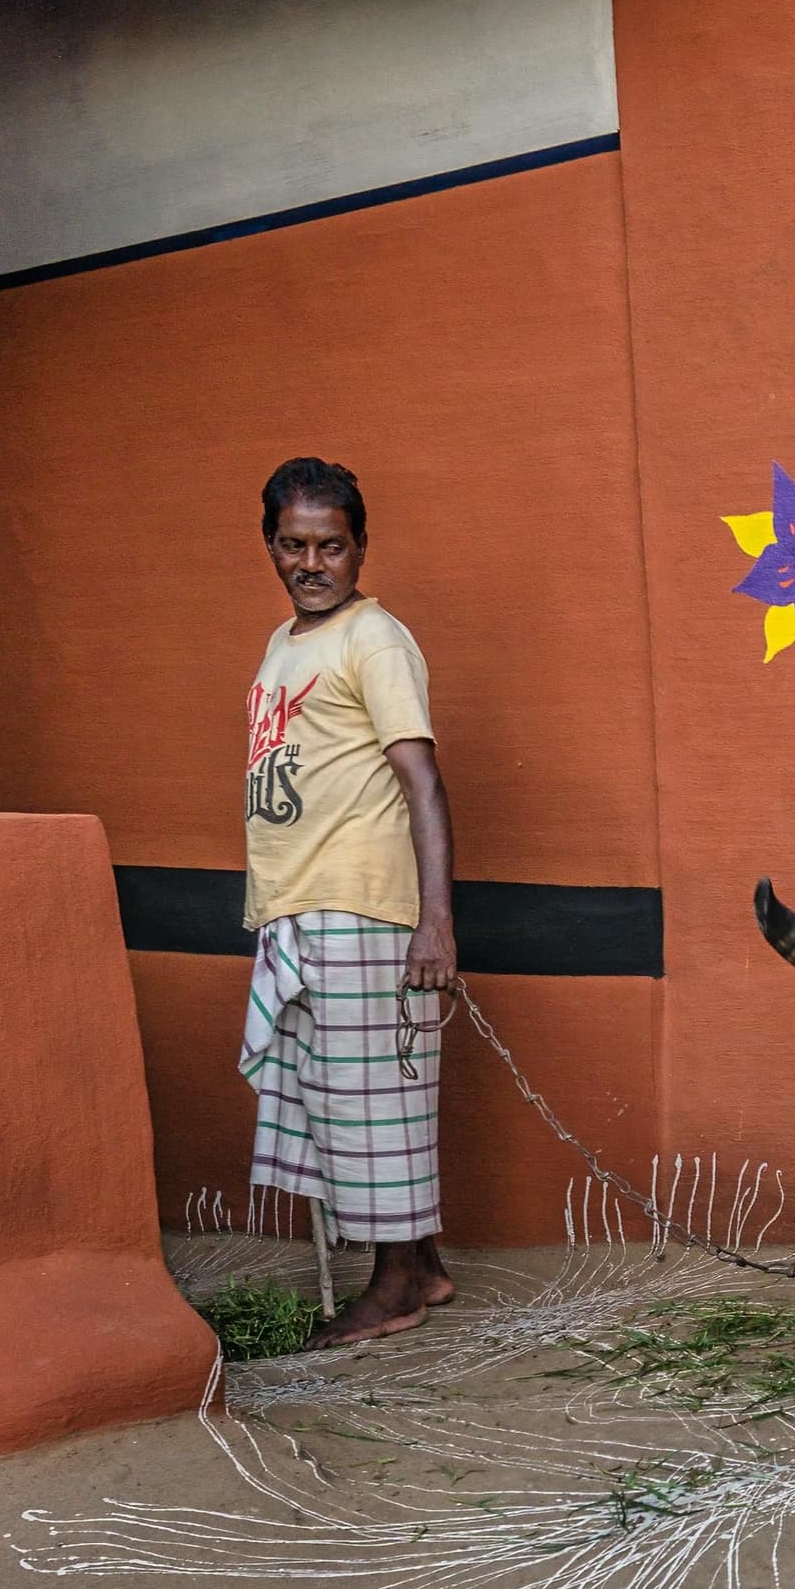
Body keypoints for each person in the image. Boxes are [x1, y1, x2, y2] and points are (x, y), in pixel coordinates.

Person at [236, 456, 459, 1344]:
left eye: (331, 545)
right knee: (350, 1100)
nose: (311, 562)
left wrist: (433, 923)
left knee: (372, 1108)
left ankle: (394, 1283)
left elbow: (423, 781)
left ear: (361, 548)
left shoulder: (376, 639)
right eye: (293, 544)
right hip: (302, 902)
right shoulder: (285, 643)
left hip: (360, 904)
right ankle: (427, 1267)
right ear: (270, 546)